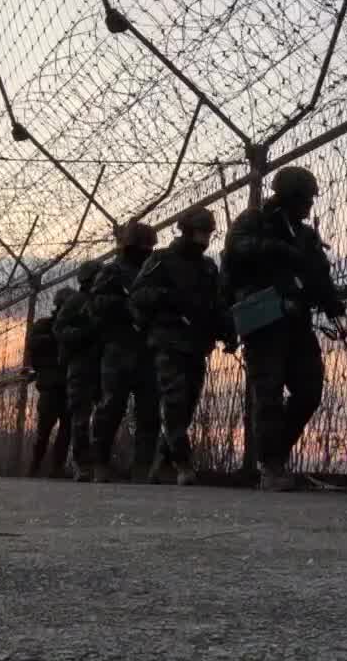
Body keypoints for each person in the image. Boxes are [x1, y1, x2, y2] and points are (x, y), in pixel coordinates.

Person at [223, 165, 344, 492]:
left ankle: (274, 453)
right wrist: (276, 249)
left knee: (309, 389)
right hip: (263, 318)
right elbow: (235, 251)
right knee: (269, 392)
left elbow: (318, 271)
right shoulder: (254, 222)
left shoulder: (304, 234)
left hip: (296, 318)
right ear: (289, 197)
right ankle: (271, 466)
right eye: (305, 199)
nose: (309, 206)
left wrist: (331, 301)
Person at [130, 206, 235, 485]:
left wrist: (228, 332)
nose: (204, 239)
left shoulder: (208, 268)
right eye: (199, 233)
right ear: (187, 231)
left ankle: (162, 463)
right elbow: (139, 295)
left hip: (196, 344)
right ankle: (183, 464)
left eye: (208, 233)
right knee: (175, 401)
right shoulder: (162, 260)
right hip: (168, 340)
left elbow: (217, 305)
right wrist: (169, 298)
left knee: (187, 405)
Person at [88, 221, 162, 483]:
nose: (145, 250)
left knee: (149, 410)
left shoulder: (154, 270)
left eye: (149, 246)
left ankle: (142, 467)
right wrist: (124, 305)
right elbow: (96, 305)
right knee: (111, 408)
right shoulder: (112, 273)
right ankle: (99, 463)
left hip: (147, 348)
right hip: (118, 347)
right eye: (141, 246)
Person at [49, 260, 104, 482]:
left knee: (103, 415)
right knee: (80, 416)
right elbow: (59, 329)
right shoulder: (76, 302)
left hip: (103, 364)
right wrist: (86, 333)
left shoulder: (103, 300)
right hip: (81, 364)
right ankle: (83, 464)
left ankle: (100, 461)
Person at [19, 300, 71, 478]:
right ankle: (35, 466)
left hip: (68, 385)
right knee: (44, 430)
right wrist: (57, 336)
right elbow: (33, 344)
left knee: (66, 429)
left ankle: (57, 467)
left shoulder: (69, 326)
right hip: (50, 385)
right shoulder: (45, 326)